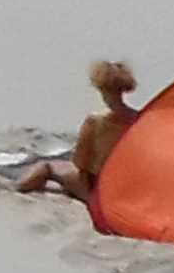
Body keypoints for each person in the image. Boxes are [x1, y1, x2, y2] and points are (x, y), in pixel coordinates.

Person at [14, 59, 142, 202]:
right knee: (66, 180)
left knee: (48, 167)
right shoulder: (138, 119)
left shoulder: (96, 120)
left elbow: (80, 161)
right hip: (124, 185)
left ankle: (15, 189)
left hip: (96, 185)